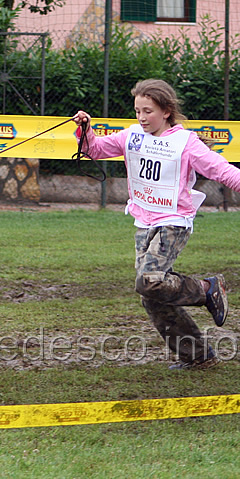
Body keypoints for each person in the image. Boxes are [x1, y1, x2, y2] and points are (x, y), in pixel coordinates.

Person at [73, 78, 240, 370]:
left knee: (149, 281)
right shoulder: (131, 136)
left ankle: (207, 289)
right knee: (151, 296)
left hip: (173, 222)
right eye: (137, 111)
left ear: (166, 111)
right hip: (144, 221)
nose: (141, 117)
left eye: (147, 111)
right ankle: (197, 356)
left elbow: (221, 170)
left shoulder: (185, 143)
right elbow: (95, 150)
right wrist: (85, 131)